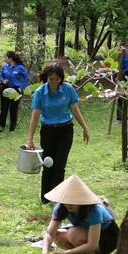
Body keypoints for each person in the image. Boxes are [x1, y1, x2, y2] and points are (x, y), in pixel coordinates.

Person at [26, 63, 90, 204]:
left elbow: (75, 109)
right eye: (51, 79)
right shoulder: (40, 92)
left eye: (57, 79)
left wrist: (85, 128)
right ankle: (46, 198)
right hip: (48, 131)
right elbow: (35, 117)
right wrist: (30, 140)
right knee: (48, 164)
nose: (54, 82)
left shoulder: (68, 89)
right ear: (46, 78)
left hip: (65, 130)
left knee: (59, 165)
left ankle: (58, 199)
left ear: (61, 78)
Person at [39, 175, 120, 254]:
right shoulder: (61, 208)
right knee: (58, 235)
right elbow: (49, 234)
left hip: (107, 239)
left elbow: (93, 244)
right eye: (66, 200)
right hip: (87, 234)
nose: (68, 204)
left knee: (73, 233)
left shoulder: (94, 210)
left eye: (73, 201)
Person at [0, 51, 29, 133]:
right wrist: (3, 81)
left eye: (6, 57)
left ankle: (12, 129)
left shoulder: (20, 67)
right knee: (4, 109)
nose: (5, 59)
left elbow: (26, 78)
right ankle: (2, 128)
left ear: (10, 59)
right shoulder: (4, 67)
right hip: (5, 89)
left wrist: (21, 88)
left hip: (15, 90)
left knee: (13, 110)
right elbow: (1, 76)